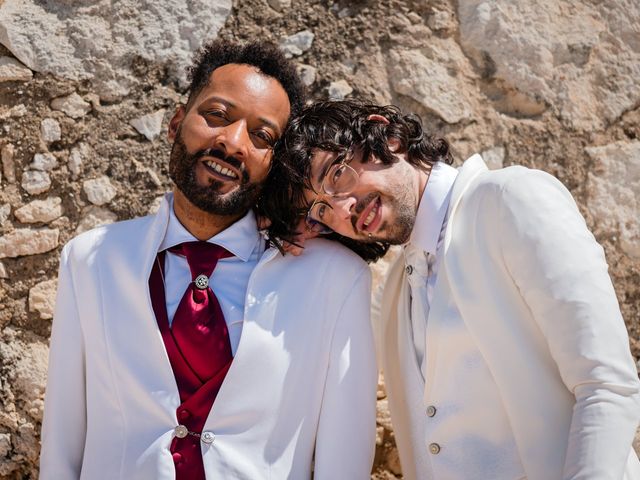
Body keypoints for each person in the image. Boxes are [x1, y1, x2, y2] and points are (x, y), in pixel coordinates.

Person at [39, 43, 377, 480]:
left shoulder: (335, 280)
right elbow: (64, 437)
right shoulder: (90, 260)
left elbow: (344, 460)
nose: (233, 142)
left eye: (261, 136)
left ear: (274, 163)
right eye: (218, 115)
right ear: (177, 123)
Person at [262, 100, 640, 480]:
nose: (343, 209)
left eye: (337, 175)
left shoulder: (511, 199)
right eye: (322, 211)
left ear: (387, 136)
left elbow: (606, 385)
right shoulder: (393, 292)